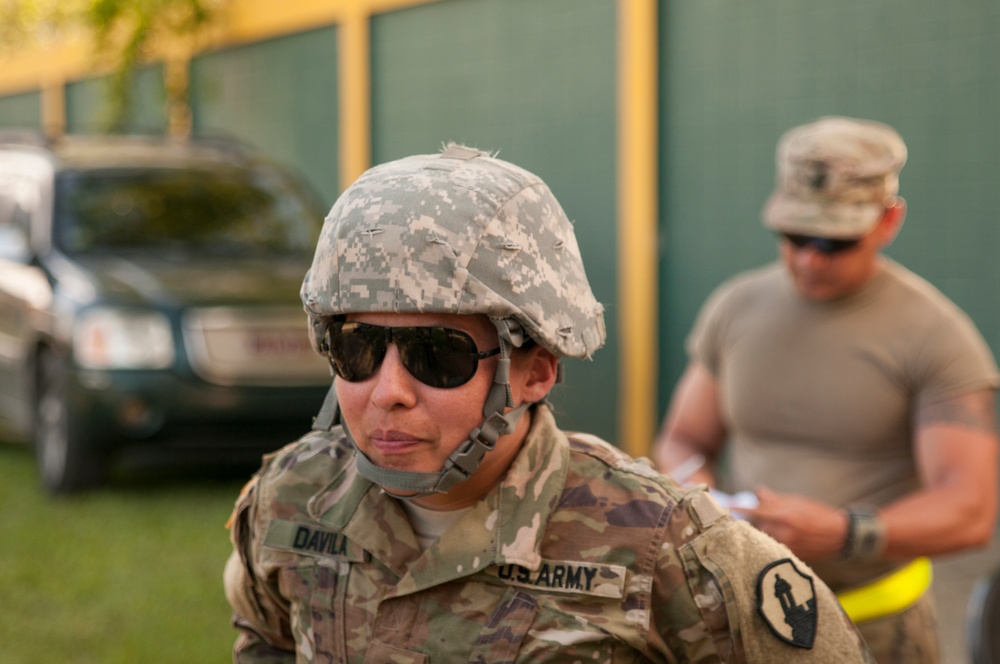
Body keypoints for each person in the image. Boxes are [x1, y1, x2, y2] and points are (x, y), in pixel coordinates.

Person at [224, 143, 873, 662]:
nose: (388, 392)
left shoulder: (670, 551)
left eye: (437, 356)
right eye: (357, 348)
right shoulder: (289, 498)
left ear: (535, 372)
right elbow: (268, 641)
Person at [653, 116, 1000, 663]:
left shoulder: (939, 337)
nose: (809, 259)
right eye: (794, 236)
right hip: (743, 613)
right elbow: (681, 437)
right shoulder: (735, 307)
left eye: (834, 241)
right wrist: (702, 495)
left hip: (877, 630)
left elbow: (969, 510)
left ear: (889, 221)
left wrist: (845, 533)